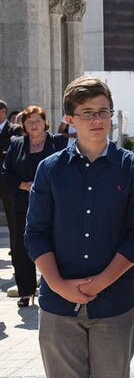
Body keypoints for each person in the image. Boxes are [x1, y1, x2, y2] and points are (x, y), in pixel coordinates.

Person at [25, 76, 134, 378]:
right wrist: (59, 285)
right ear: (70, 119)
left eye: (103, 112)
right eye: (88, 112)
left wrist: (101, 282)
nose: (97, 120)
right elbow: (36, 232)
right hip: (58, 305)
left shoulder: (132, 168)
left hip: (115, 304)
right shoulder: (50, 169)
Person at [2, 106, 66, 307]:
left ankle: (54, 287)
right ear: (23, 125)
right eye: (29, 122)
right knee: (20, 247)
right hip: (22, 203)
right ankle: (26, 291)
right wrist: (23, 185)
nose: (34, 125)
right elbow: (5, 173)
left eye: (37, 120)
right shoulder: (16, 144)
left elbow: (66, 169)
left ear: (45, 122)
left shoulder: (58, 142)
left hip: (53, 203)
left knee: (55, 244)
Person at [0, 100, 23, 252]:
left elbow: (12, 146)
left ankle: (15, 250)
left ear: (3, 111)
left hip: (6, 180)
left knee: (12, 218)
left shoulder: (15, 129)